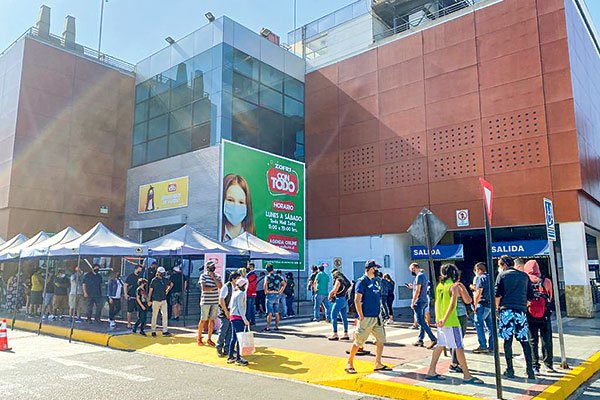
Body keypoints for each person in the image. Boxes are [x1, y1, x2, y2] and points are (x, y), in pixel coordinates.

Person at [425, 263, 483, 385]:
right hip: (451, 321)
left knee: (440, 345)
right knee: (459, 347)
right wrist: (445, 319)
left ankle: (431, 371)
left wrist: (438, 318)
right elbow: (456, 304)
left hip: (441, 321)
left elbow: (436, 303)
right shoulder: (454, 286)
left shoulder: (440, 286)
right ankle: (467, 375)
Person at [345, 260, 389, 374]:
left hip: (376, 316)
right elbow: (357, 299)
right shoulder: (362, 282)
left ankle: (378, 363)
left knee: (380, 340)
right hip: (366, 317)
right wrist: (361, 316)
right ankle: (349, 363)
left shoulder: (375, 281)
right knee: (359, 342)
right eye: (376, 268)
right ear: (370, 269)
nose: (377, 271)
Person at [495, 255, 535, 380]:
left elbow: (497, 295)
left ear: (504, 265)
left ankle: (510, 369)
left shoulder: (502, 276)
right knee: (524, 341)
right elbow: (530, 296)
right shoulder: (524, 276)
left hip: (506, 311)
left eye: (500, 265)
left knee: (507, 341)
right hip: (520, 311)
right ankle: (530, 370)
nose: (499, 267)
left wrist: (497, 309)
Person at [524, 260, 555, 373]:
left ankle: (535, 366)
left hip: (530, 314)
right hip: (545, 314)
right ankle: (549, 364)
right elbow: (550, 297)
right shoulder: (546, 281)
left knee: (532, 340)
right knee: (546, 339)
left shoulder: (525, 279)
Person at [407, 263, 437, 348]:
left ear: (414, 268)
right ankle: (420, 339)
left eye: (411, 270)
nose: (411, 272)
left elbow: (417, 290)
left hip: (419, 301)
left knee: (420, 321)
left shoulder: (419, 276)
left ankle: (433, 338)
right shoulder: (423, 276)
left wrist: (413, 301)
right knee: (422, 321)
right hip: (424, 300)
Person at [449, 272, 472, 374]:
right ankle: (454, 363)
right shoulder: (457, 287)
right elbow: (468, 300)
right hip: (460, 314)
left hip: (449, 315)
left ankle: (455, 361)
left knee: (452, 339)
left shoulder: (444, 286)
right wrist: (462, 286)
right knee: (458, 340)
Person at [221, 174, 256, 241]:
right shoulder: (212, 236)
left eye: (241, 202)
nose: (235, 207)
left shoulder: (253, 241)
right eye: (230, 200)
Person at [227, 277, 250, 366]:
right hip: (238, 317)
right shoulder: (241, 293)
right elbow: (241, 307)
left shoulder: (235, 293)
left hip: (233, 316)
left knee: (234, 338)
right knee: (240, 338)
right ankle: (238, 358)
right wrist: (245, 319)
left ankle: (230, 356)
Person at [217, 272, 241, 357]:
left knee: (230, 331)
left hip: (233, 312)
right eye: (238, 278)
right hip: (225, 311)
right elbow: (221, 300)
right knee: (223, 330)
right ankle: (219, 348)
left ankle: (227, 348)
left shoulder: (237, 288)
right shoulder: (226, 286)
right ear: (233, 279)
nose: (239, 280)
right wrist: (226, 311)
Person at [198, 261, 222, 346]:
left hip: (215, 301)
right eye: (211, 267)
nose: (212, 268)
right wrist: (215, 287)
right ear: (207, 268)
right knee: (203, 319)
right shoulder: (203, 276)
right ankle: (199, 338)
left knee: (212, 320)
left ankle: (209, 338)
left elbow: (220, 286)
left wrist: (213, 278)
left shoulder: (217, 276)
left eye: (213, 267)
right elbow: (204, 288)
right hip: (205, 301)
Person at [472, 262, 494, 354]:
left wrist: (475, 305)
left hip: (482, 304)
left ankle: (483, 345)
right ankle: (492, 346)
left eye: (476, 270)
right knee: (490, 326)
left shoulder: (481, 278)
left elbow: (478, 292)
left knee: (478, 324)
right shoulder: (490, 277)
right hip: (489, 304)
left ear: (479, 270)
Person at [148, 266, 172, 337]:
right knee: (154, 315)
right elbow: (150, 291)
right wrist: (149, 300)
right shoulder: (154, 280)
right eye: (161, 273)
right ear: (158, 273)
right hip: (156, 300)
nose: (162, 274)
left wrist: (167, 290)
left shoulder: (165, 279)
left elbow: (171, 284)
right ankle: (153, 330)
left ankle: (165, 330)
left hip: (163, 300)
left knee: (165, 315)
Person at [329, 270, 351, 341]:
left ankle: (335, 334)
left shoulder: (338, 280)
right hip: (344, 299)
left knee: (333, 316)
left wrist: (330, 295)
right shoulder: (345, 281)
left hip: (338, 300)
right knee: (344, 317)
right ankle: (346, 334)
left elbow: (334, 290)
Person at [264, 264, 286, 332]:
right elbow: (284, 283)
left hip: (270, 294)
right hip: (276, 294)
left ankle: (268, 327)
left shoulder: (267, 277)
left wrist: (266, 291)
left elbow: (265, 285)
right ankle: (276, 327)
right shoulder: (277, 276)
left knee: (269, 312)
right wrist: (280, 291)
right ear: (273, 269)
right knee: (276, 312)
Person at [124, 265, 143, 329]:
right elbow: (125, 285)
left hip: (138, 296)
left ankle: (139, 323)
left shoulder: (141, 276)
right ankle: (129, 323)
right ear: (136, 269)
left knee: (139, 310)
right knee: (130, 310)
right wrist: (125, 294)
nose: (140, 271)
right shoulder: (130, 276)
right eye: (139, 269)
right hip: (131, 296)